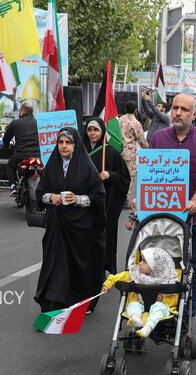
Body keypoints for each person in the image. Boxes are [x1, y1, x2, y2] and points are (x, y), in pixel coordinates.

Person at [131, 92, 196, 316]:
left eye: (184, 109)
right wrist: (139, 198)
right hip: (161, 218)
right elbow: (149, 174)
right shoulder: (158, 138)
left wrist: (195, 201)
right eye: (175, 108)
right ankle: (156, 311)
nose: (178, 113)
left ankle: (187, 316)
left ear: (195, 113)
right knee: (154, 264)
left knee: (194, 268)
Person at [35, 127, 106, 314]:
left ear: (75, 145)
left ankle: (81, 301)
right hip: (57, 225)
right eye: (60, 142)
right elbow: (40, 194)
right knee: (54, 262)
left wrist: (78, 199)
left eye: (68, 142)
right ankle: (53, 301)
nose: (64, 146)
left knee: (78, 264)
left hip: (80, 227)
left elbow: (98, 196)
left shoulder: (86, 167)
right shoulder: (51, 165)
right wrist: (52, 198)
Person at [83, 117, 130, 274]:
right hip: (85, 203)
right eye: (89, 130)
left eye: (96, 129)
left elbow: (124, 178)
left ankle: (105, 267)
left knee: (105, 236)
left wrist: (110, 175)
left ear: (102, 131)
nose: (92, 133)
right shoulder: (79, 150)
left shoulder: (109, 152)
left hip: (106, 203)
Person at [101, 247, 178, 338]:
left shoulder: (168, 280)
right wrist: (108, 284)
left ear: (156, 267)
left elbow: (174, 299)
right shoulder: (136, 274)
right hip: (141, 305)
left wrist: (163, 298)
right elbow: (118, 277)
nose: (140, 263)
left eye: (144, 262)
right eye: (141, 260)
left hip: (160, 309)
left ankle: (148, 328)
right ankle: (135, 318)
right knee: (132, 305)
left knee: (159, 308)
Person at [2, 104, 40, 196]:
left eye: (19, 111)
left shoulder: (15, 123)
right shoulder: (39, 123)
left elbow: (6, 138)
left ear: (22, 112)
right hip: (37, 156)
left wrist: (6, 146)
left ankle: (13, 186)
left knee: (10, 166)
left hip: (21, 155)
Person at [119, 101, 148, 197]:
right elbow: (141, 141)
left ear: (125, 109)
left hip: (118, 152)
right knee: (129, 176)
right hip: (130, 154)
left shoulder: (118, 120)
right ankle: (125, 197)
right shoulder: (136, 123)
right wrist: (149, 149)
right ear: (136, 110)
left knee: (118, 174)